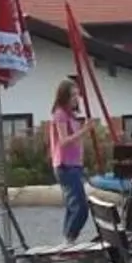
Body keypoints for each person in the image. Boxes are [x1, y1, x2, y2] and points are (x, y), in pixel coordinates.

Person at [45, 80, 90, 241]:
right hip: (65, 165)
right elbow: (63, 141)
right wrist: (83, 131)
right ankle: (70, 238)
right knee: (81, 207)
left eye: (77, 95)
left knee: (72, 206)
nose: (75, 99)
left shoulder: (72, 115)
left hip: (74, 164)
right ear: (64, 97)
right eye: (72, 96)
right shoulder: (60, 114)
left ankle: (68, 239)